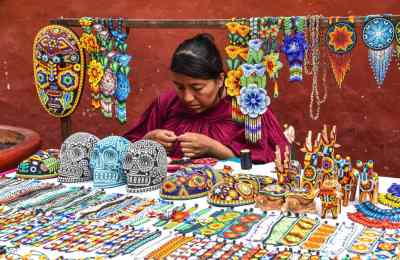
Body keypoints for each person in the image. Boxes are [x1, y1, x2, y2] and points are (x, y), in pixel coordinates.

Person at [124, 33, 288, 163]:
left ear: (219, 80)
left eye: (197, 88)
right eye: (180, 87)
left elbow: (274, 161)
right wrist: (147, 141)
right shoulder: (166, 104)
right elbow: (127, 150)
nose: (187, 98)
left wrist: (216, 149)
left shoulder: (248, 107)